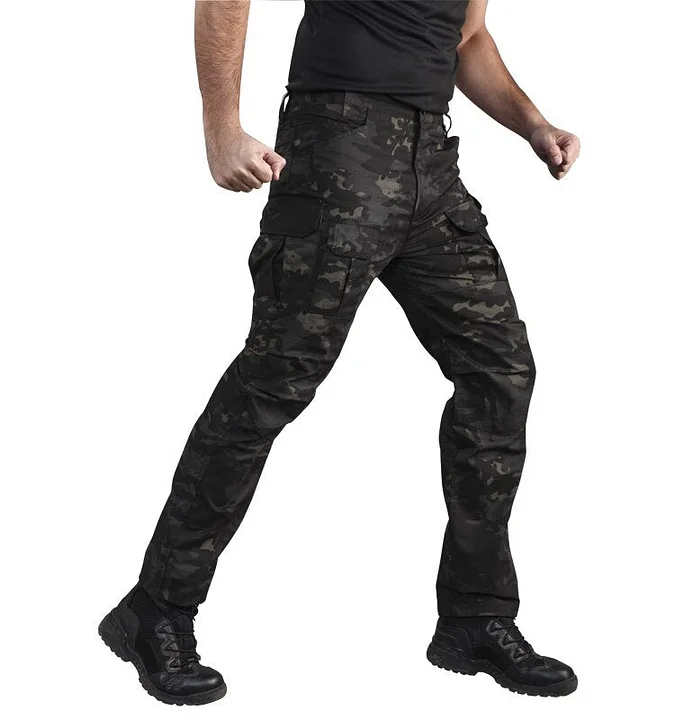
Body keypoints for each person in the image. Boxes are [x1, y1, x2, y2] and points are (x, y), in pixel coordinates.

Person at [99, 0, 581, 705]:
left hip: (432, 165)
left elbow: (468, 36)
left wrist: (532, 124)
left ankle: (475, 619)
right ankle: (155, 609)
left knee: (500, 372)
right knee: (273, 383)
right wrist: (221, 130)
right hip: (337, 149)